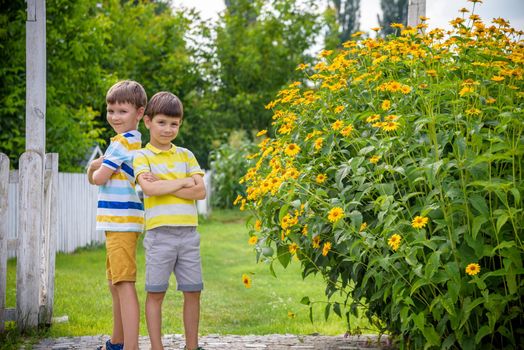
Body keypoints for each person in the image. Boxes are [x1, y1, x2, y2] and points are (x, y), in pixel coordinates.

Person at [133, 91, 206, 350]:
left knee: (193, 291)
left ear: (180, 124)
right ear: (148, 121)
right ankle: (157, 347)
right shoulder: (142, 157)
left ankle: (192, 346)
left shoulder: (186, 155)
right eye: (162, 122)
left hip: (188, 234)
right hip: (159, 234)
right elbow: (149, 190)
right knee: (155, 293)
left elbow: (200, 192)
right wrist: (184, 181)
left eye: (174, 124)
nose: (168, 129)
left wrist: (164, 183)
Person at [87, 80, 147, 350]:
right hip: (122, 223)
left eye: (122, 111)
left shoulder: (120, 144)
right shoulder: (132, 142)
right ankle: (117, 341)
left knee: (123, 284)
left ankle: (129, 346)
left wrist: (93, 165)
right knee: (115, 283)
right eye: (111, 110)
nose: (114, 116)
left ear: (139, 113)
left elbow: (97, 178)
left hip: (121, 222)